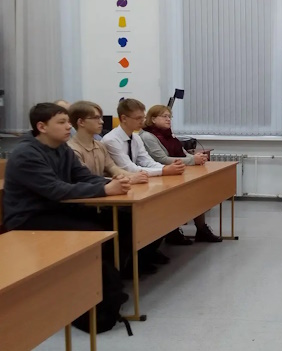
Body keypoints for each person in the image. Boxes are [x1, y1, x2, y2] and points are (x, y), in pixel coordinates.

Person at [1, 102, 131, 299]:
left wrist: (114, 182)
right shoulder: (26, 154)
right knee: (94, 232)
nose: (69, 126)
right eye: (61, 122)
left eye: (68, 122)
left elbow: (83, 177)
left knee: (122, 219)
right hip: (29, 218)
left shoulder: (62, 148)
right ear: (42, 127)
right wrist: (105, 189)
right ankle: (96, 291)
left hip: (59, 208)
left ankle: (110, 281)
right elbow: (55, 189)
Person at [66, 100, 164, 274]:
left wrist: (130, 177)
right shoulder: (72, 149)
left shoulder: (99, 145)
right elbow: (86, 179)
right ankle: (122, 265)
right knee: (129, 217)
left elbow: (113, 168)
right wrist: (125, 180)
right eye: (96, 118)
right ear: (81, 122)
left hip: (103, 196)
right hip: (88, 202)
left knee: (147, 212)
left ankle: (134, 259)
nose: (101, 122)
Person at [102, 99, 193, 248]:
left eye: (143, 117)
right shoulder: (111, 140)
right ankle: (145, 251)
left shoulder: (136, 137)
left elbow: (147, 161)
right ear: (124, 118)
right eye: (138, 118)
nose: (142, 121)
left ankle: (155, 246)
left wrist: (166, 168)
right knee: (153, 209)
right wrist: (163, 170)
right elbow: (129, 168)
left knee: (165, 201)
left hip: (138, 182)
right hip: (122, 187)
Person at [140, 104, 222, 243]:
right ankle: (172, 232)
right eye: (164, 116)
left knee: (197, 192)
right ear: (153, 119)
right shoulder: (148, 136)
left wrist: (196, 157)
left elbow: (182, 153)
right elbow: (162, 159)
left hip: (176, 172)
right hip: (160, 176)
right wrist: (192, 160)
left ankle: (201, 229)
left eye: (169, 117)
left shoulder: (169, 134)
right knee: (179, 198)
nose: (168, 119)